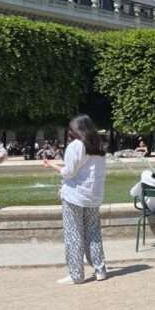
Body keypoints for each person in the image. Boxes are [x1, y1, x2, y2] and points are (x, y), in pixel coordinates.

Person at [43, 115, 108, 285]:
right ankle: (100, 270)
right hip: (93, 196)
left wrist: (51, 165)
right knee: (93, 234)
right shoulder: (99, 146)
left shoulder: (76, 145)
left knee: (74, 234)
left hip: (75, 196)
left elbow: (69, 172)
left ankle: (76, 274)